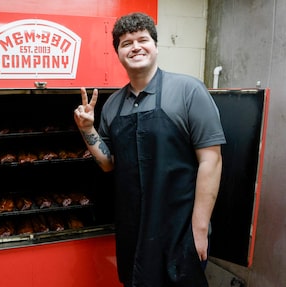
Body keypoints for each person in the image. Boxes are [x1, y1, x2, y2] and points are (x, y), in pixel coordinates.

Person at [74, 12, 226, 286]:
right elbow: (108, 164)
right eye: (126, 42)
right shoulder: (112, 106)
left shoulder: (188, 90)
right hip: (132, 229)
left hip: (179, 227)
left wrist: (200, 228)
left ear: (155, 46)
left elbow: (211, 161)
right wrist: (88, 129)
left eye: (142, 39)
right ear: (118, 53)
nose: (135, 47)